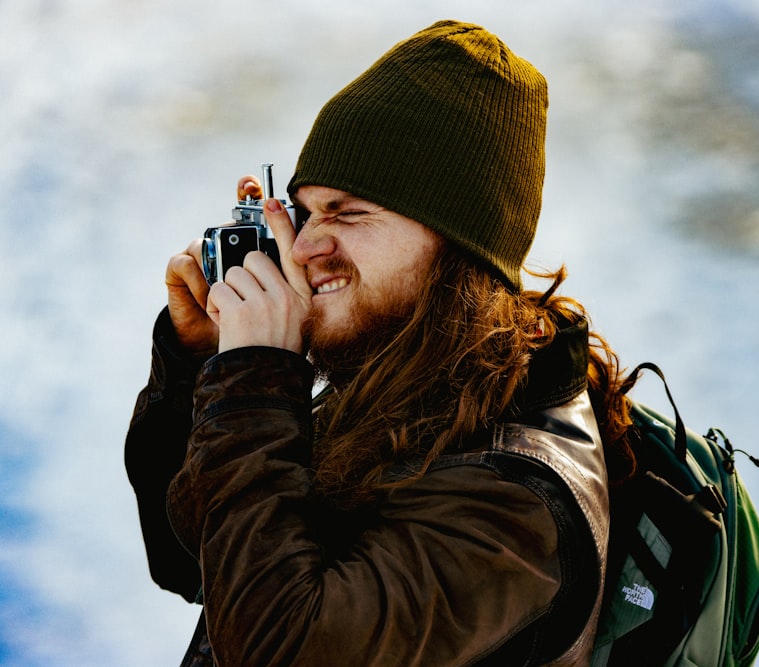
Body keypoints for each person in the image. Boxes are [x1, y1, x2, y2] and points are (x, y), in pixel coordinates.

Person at [125, 19, 635, 666]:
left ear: (457, 246)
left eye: (350, 212)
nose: (305, 248)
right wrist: (201, 365)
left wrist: (257, 378)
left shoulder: (515, 504)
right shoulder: (402, 379)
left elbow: (283, 648)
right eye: (304, 212)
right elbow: (189, 557)